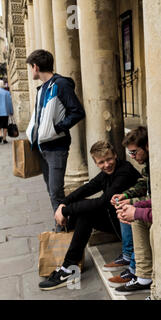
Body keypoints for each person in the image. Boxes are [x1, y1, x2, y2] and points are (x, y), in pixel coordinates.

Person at [38, 141, 141, 291]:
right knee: (83, 212)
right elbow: (88, 187)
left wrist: (67, 211)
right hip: (118, 221)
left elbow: (103, 202)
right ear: (96, 163)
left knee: (86, 212)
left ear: (115, 156)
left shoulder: (124, 171)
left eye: (109, 159)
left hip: (133, 225)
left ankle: (68, 268)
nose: (106, 165)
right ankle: (69, 266)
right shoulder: (106, 174)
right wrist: (63, 204)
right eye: (101, 162)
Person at [25, 49, 85, 230]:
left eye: (31, 67)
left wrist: (56, 129)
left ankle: (65, 228)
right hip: (43, 148)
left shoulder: (60, 84)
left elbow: (77, 112)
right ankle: (63, 224)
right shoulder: (43, 87)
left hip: (56, 147)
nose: (31, 71)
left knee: (56, 192)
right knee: (52, 191)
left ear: (36, 66)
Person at [108, 126, 152, 295]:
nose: (133, 157)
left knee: (133, 213)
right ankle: (131, 260)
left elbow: (159, 200)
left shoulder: (157, 163)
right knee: (125, 207)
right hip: (151, 204)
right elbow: (143, 183)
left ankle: (137, 270)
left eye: (135, 152)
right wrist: (125, 195)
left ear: (146, 146)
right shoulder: (148, 164)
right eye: (130, 154)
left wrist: (131, 203)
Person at [0, 80, 13, 144]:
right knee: (5, 125)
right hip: (5, 112)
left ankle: (0, 136)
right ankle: (4, 139)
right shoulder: (6, 93)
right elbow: (9, 103)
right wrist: (11, 111)